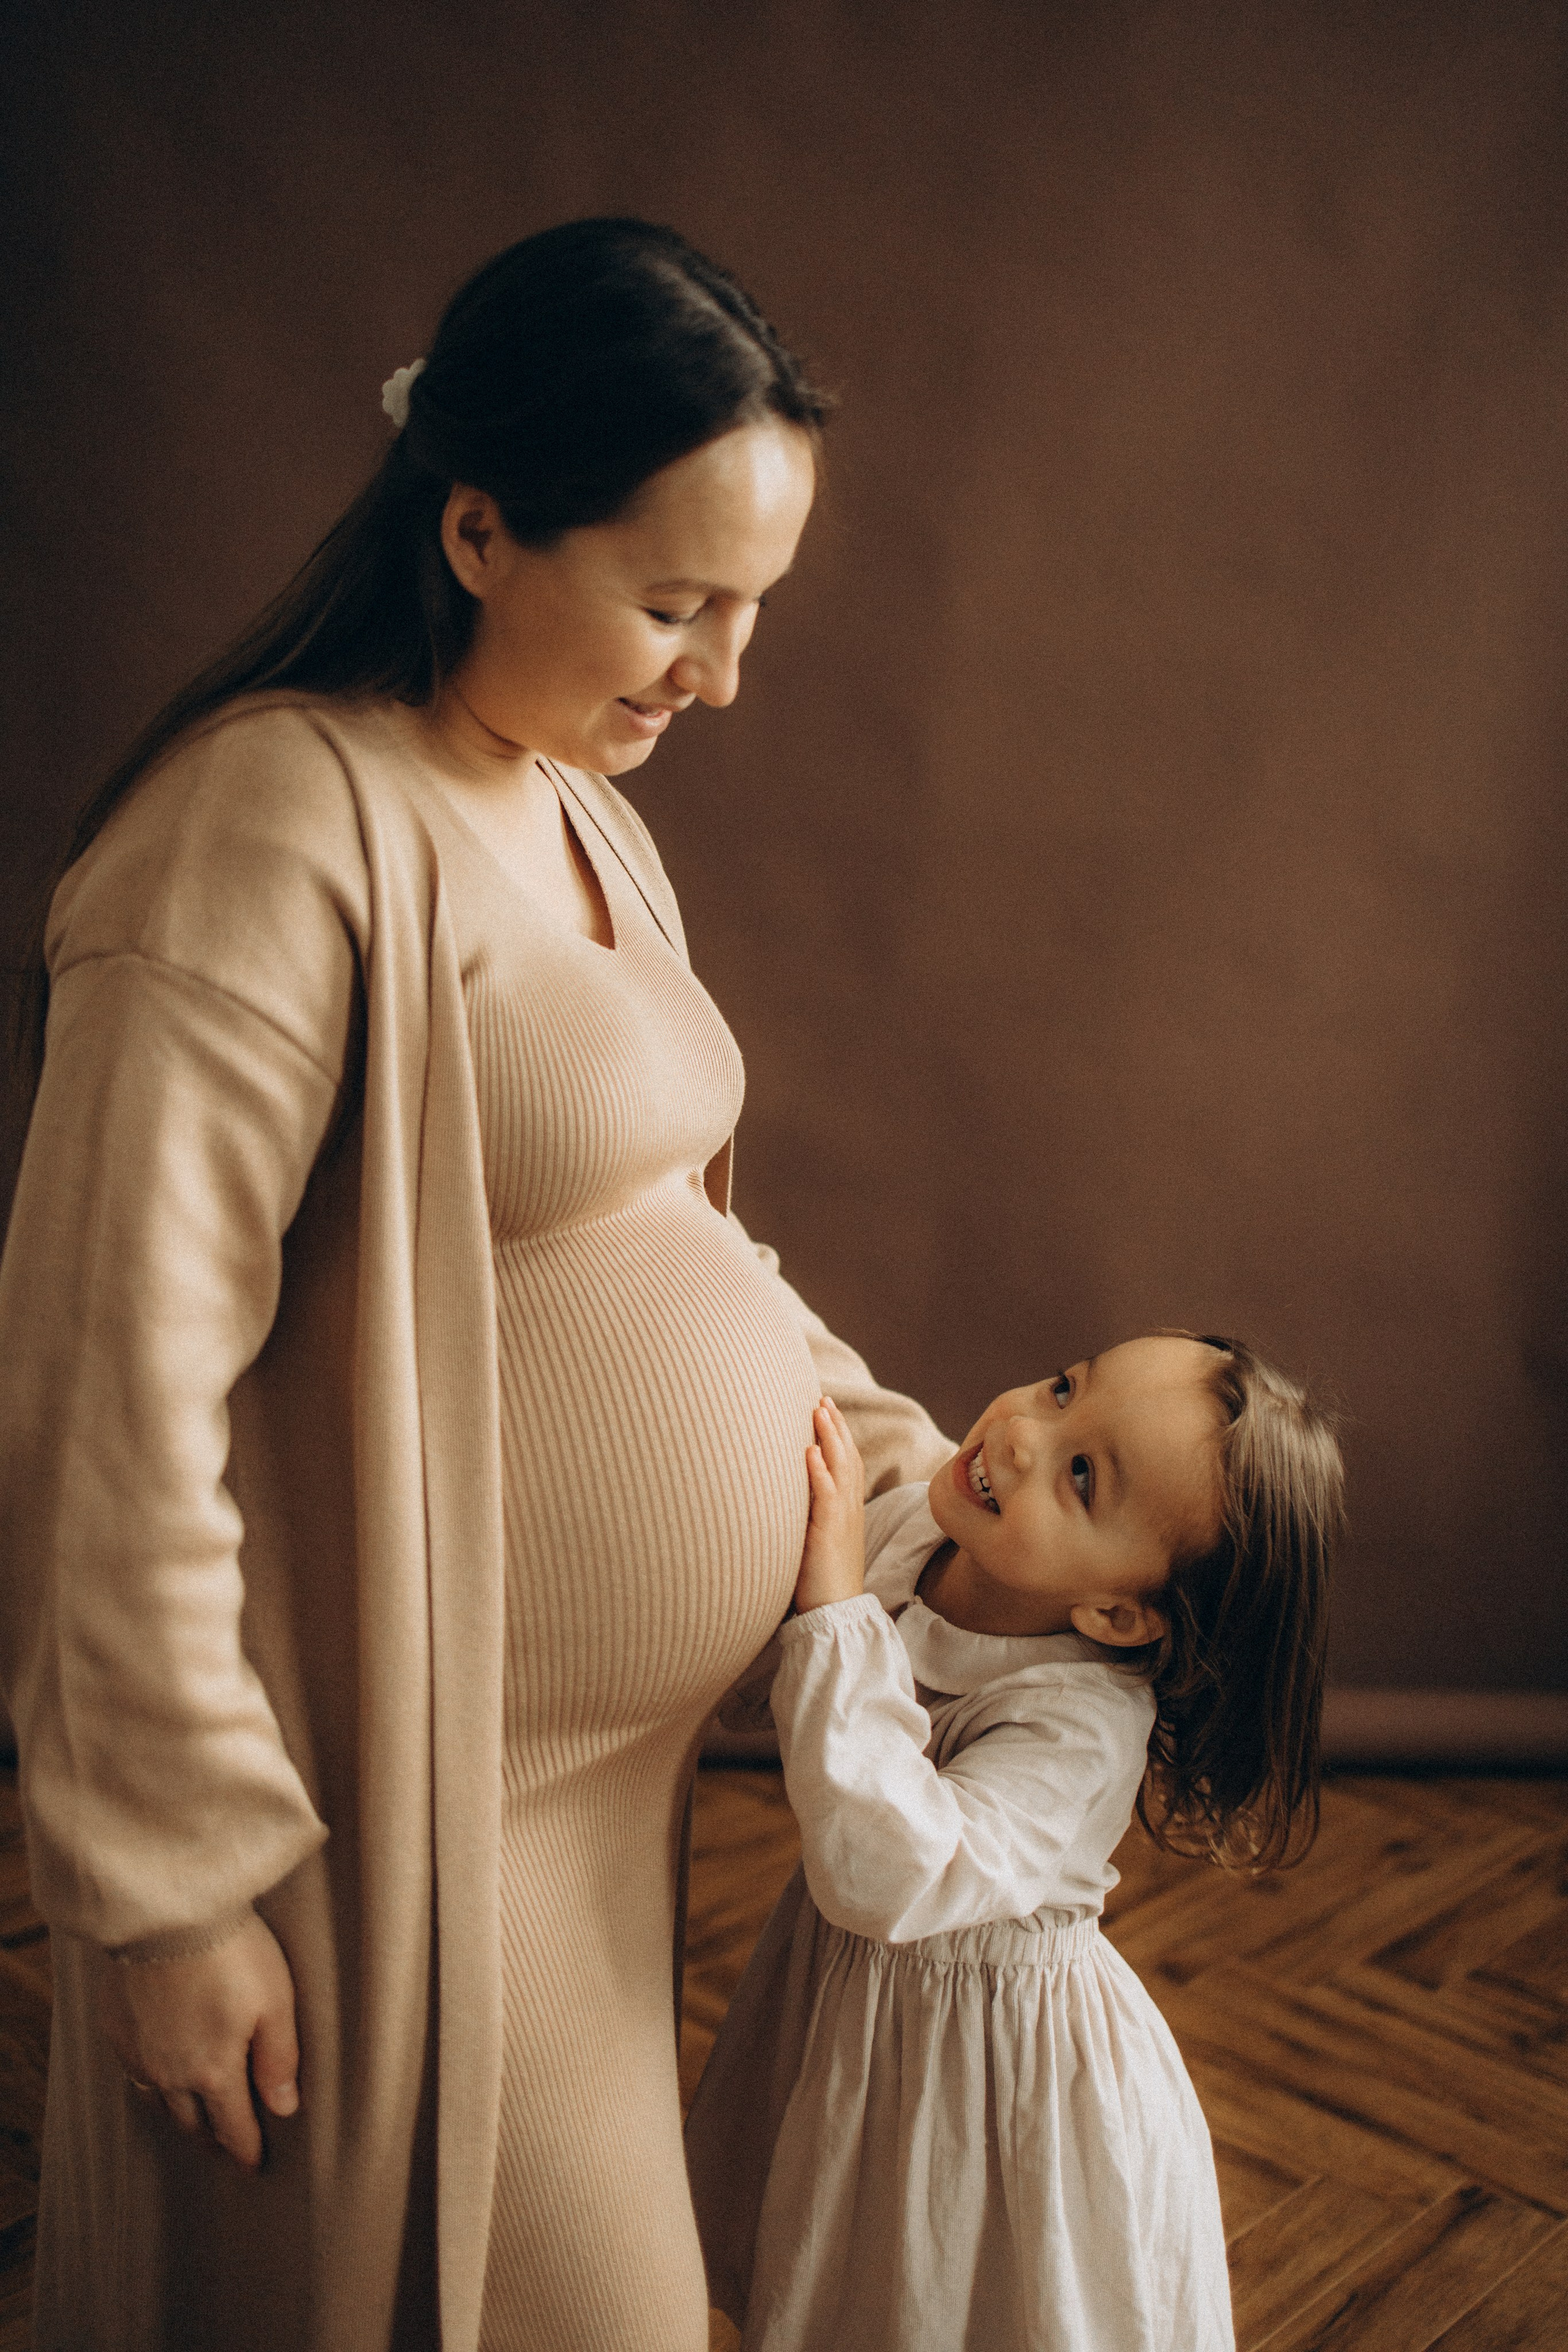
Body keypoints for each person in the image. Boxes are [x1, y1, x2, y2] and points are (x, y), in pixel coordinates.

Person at [0, 219, 956, 2352]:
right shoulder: (262, 828)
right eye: (677, 600)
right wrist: (167, 1892)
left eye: (755, 613)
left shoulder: (569, 805)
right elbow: (107, 1387)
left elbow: (675, 1243)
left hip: (597, 1825)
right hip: (389, 1841)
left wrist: (919, 1479)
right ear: (478, 525)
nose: (720, 674)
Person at [685, 1334, 1344, 2351]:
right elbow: (820, 1376)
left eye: (1083, 1475)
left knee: (946, 2299)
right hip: (858, 2021)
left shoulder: (1079, 1723)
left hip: (987, 2085)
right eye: (1063, 1384)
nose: (1025, 1432)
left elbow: (890, 1868)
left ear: (1119, 1612)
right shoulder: (926, 1530)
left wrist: (834, 1608)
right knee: (833, 2281)